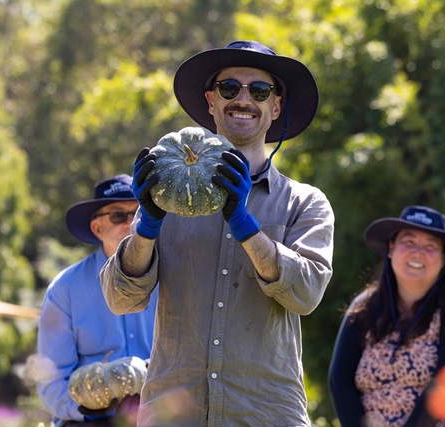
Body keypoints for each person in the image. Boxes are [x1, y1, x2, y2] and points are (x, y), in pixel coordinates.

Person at [100, 41, 335, 426]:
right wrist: (147, 227)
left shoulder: (304, 203)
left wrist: (245, 225)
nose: (243, 99)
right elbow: (120, 299)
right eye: (230, 88)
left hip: (265, 415)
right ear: (211, 100)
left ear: (276, 107)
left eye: (259, 91)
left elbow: (306, 294)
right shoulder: (167, 195)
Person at [328, 205, 445, 426]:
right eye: (408, 242)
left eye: (430, 246)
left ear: (443, 258)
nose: (418, 252)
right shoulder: (364, 307)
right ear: (391, 248)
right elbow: (339, 380)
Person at [36, 174, 158, 427]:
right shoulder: (64, 289)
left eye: (136, 214)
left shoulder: (171, 277)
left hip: (159, 412)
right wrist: (88, 409)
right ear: (96, 228)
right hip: (89, 419)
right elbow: (51, 381)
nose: (129, 223)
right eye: (117, 215)